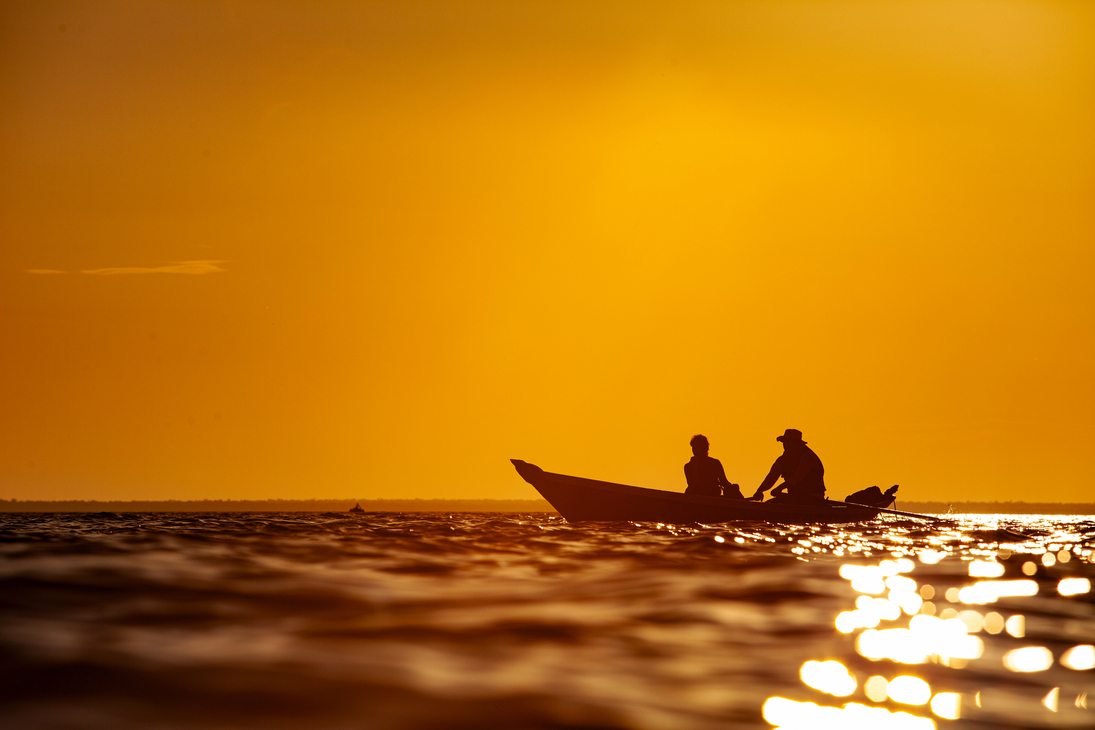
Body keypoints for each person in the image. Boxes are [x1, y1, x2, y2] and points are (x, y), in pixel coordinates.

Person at [749, 429, 825, 504]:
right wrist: (759, 491)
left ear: (796, 444)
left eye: (788, 442)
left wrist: (779, 488)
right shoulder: (782, 460)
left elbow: (797, 477)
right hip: (794, 497)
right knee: (771, 504)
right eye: (784, 442)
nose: (785, 445)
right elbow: (771, 477)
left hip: (813, 498)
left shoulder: (808, 457)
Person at [684, 434, 743, 498]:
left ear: (706, 448)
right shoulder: (689, 466)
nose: (696, 451)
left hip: (713, 495)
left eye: (699, 448)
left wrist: (733, 488)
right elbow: (693, 484)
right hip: (696, 496)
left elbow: (724, 482)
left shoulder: (715, 463)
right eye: (694, 448)